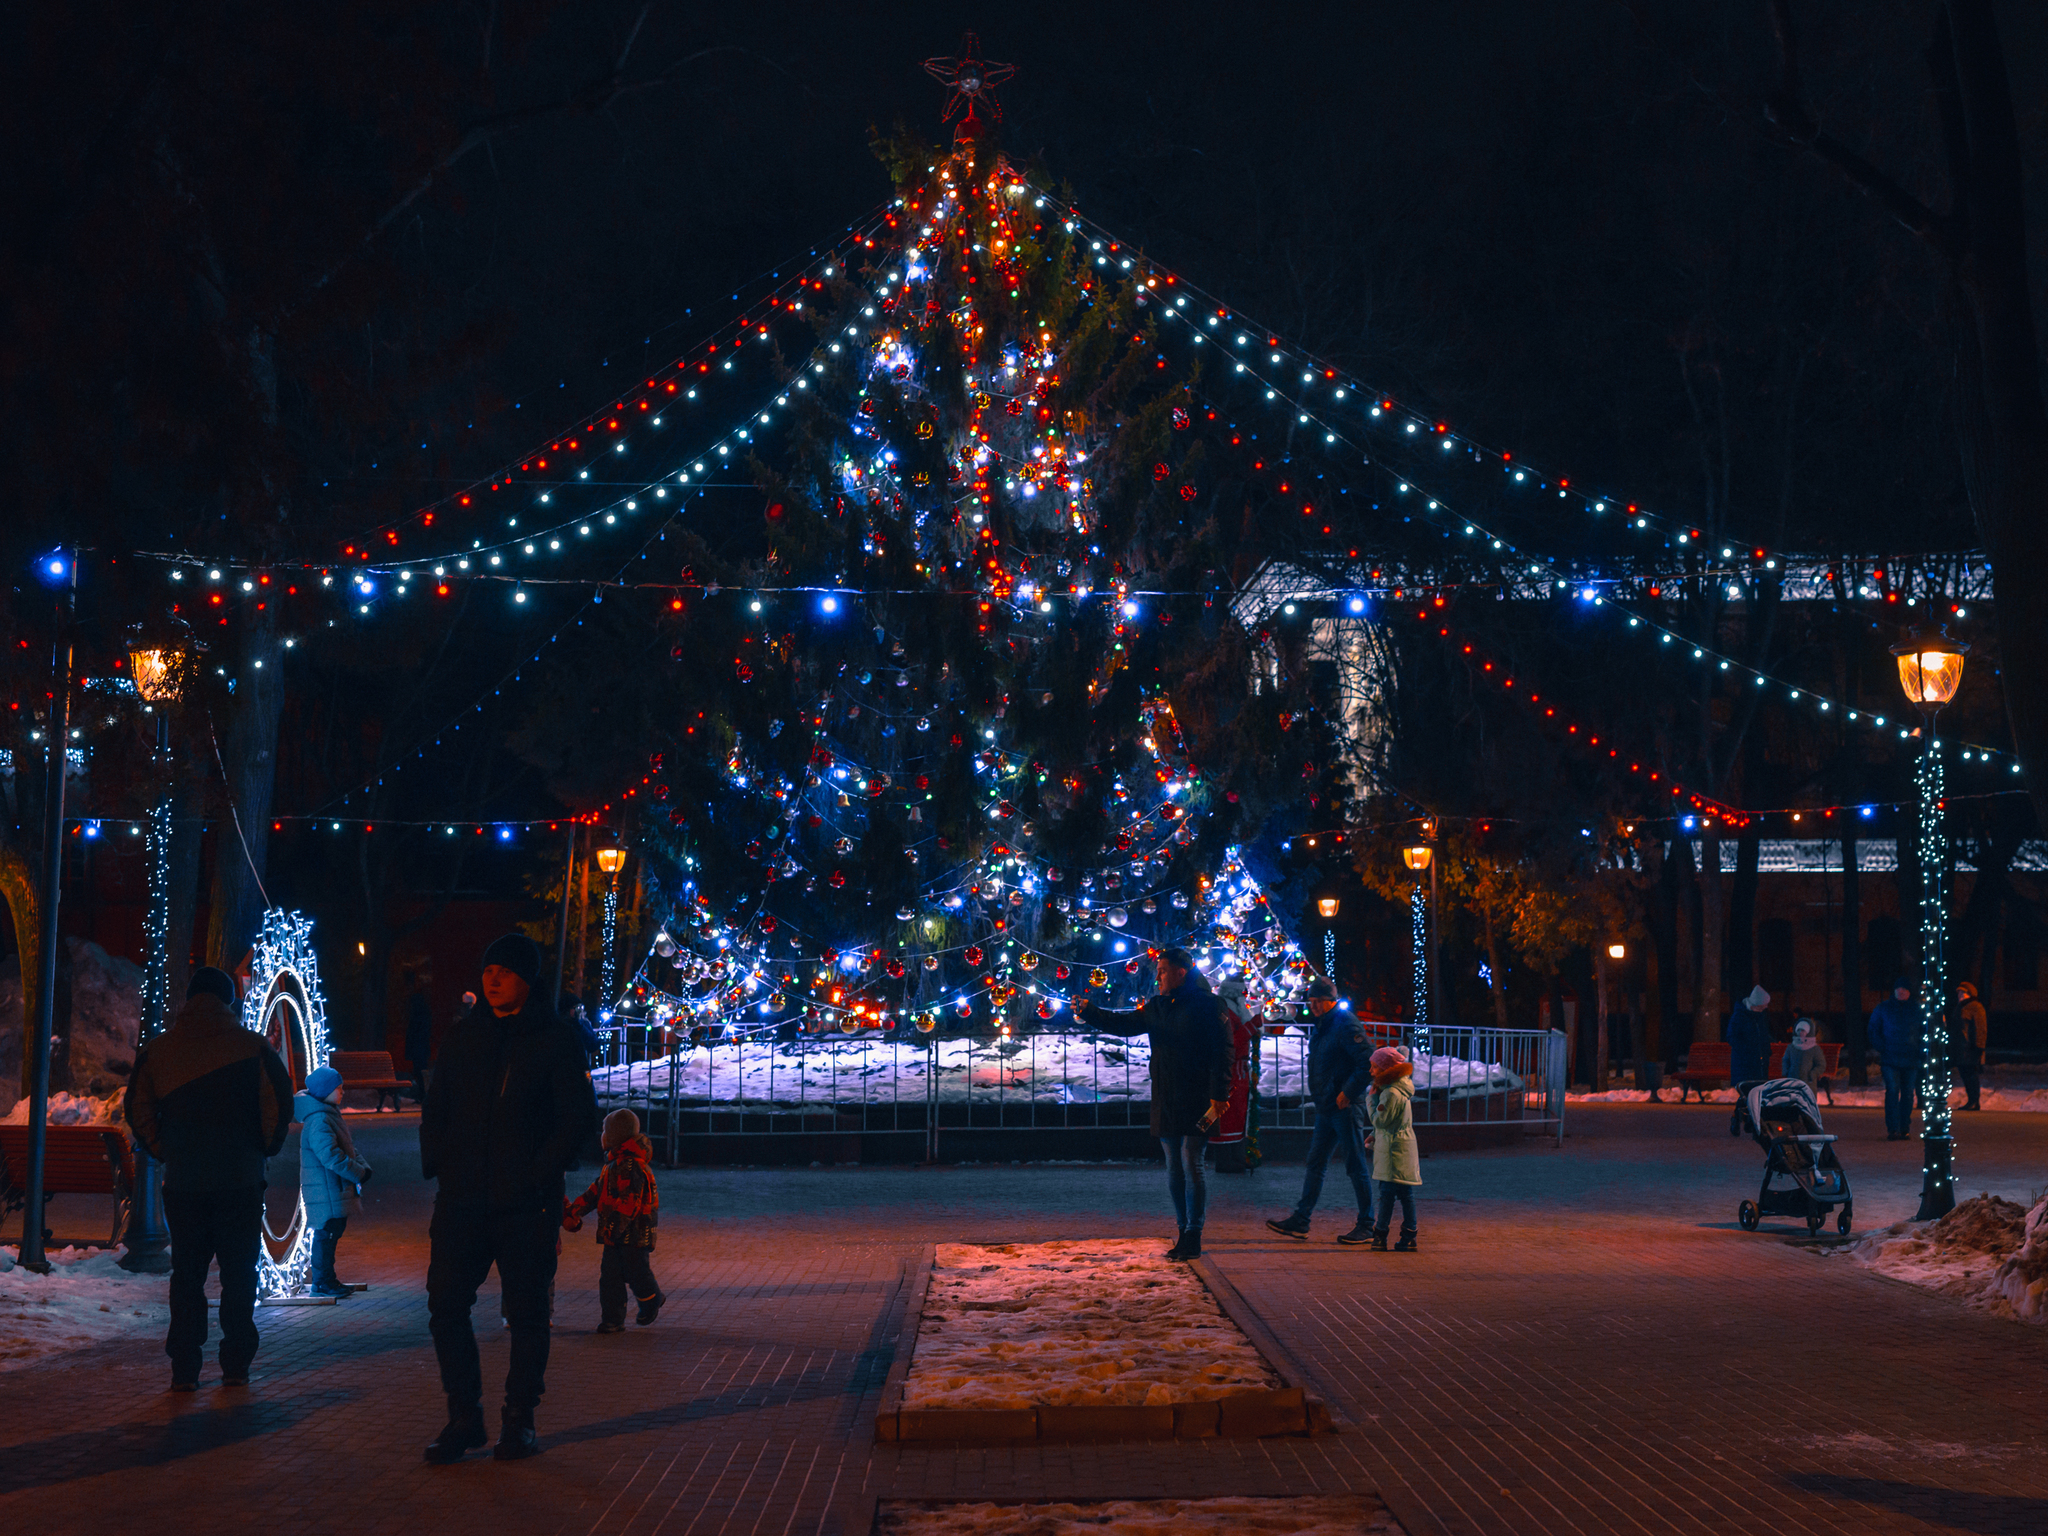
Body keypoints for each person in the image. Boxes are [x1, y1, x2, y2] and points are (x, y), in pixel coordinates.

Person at [420, 933, 597, 1464]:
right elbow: (437, 1110)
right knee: (445, 1305)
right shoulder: (463, 1039)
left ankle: (519, 1420)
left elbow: (576, 1119)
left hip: (526, 1204)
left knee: (526, 1314)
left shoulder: (555, 1038)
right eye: (488, 969)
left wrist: (537, 1173)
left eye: (505, 970)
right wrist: (444, 1168)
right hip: (463, 1201)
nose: (493, 978)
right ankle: (463, 1415)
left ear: (527, 978)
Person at [124, 967, 293, 1391]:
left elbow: (138, 1110)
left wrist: (168, 1150)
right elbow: (278, 1105)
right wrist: (261, 1150)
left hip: (183, 1183)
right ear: (227, 1001)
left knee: (187, 1275)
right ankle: (235, 1363)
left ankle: (185, 1366)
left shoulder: (159, 1051)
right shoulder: (252, 1048)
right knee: (239, 1274)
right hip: (240, 1181)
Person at [1079, 946, 1231, 1261]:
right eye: (1157, 970)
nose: (1158, 976)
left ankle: (1193, 1232)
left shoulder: (1207, 1005)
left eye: (1163, 970)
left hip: (1199, 1098)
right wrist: (1090, 1012)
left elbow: (1222, 1052)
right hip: (1166, 1096)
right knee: (1174, 1166)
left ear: (1181, 972)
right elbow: (1124, 1026)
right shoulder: (1158, 1006)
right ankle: (1182, 1229)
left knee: (1192, 1162)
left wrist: (1219, 1094)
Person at [1265, 979, 1375, 1246]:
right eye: (1310, 1001)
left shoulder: (1344, 1024)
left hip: (1344, 1107)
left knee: (1355, 1163)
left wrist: (1347, 1093)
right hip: (1328, 1106)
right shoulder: (1324, 1025)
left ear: (1330, 1000)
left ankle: (1367, 1224)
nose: (1311, 1006)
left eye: (1316, 1001)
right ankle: (1301, 1220)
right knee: (1316, 1163)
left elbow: (1367, 1061)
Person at [563, 1108, 664, 1333]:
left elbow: (630, 1203)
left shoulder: (631, 1166)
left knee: (637, 1272)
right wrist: (575, 1211)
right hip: (614, 1235)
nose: (602, 1135)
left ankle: (652, 1299)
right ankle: (612, 1319)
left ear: (616, 1135)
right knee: (610, 1278)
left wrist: (612, 1228)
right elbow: (596, 1192)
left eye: (605, 1131)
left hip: (634, 1234)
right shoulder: (613, 1165)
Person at [296, 1065, 372, 1299]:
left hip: (332, 1188)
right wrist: (357, 1172)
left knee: (331, 1233)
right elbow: (331, 1155)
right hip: (326, 1189)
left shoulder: (327, 1115)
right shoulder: (319, 1119)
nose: (343, 1092)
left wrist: (362, 1167)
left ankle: (327, 1280)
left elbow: (346, 1147)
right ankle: (322, 1282)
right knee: (326, 1234)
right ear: (325, 1091)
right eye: (338, 1088)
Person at [1367, 1045, 1421, 1251]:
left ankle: (1380, 1235)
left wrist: (1370, 1100)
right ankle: (1409, 1235)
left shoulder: (1390, 1094)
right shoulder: (1399, 1090)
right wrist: (1373, 1137)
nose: (1371, 1071)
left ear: (1385, 1069)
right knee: (1405, 1194)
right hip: (1400, 1147)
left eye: (1374, 1067)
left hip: (1392, 1150)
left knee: (1388, 1194)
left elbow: (1381, 1122)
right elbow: (1392, 1122)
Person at [1209, 977, 1260, 1174]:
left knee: (1238, 1114)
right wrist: (1251, 1027)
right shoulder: (1226, 1013)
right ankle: (1225, 1161)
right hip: (1229, 1071)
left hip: (1238, 1072)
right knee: (1228, 1116)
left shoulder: (1232, 1011)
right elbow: (1229, 1042)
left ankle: (1237, 1157)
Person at [1868, 977, 1922, 1141]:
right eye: (1898, 988)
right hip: (1890, 1058)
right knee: (1892, 1091)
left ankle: (1904, 1127)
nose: (1901, 991)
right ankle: (1893, 1128)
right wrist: (1883, 1047)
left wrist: (1919, 1048)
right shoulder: (1884, 1008)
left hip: (1910, 1059)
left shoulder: (1916, 1009)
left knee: (1907, 1094)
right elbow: (1873, 1030)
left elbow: (1925, 1030)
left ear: (1909, 992)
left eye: (1904, 989)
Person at [1726, 984, 1772, 1086]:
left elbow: (1763, 1035)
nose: (1766, 1006)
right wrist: (1746, 1050)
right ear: (1757, 1003)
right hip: (1745, 1062)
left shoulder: (1759, 1016)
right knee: (1747, 1091)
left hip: (1759, 1062)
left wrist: (1766, 1050)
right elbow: (1731, 1036)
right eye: (1764, 1004)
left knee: (1757, 1091)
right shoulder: (1740, 1016)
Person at [1954, 981, 1989, 1111]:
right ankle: (1971, 1101)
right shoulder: (1960, 1007)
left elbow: (1980, 1029)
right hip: (1961, 1048)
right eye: (1958, 992)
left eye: (1963, 992)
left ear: (1969, 993)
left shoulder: (1976, 1007)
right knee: (1965, 1075)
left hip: (1971, 1049)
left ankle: (1974, 1101)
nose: (1960, 995)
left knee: (1971, 1075)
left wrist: (1979, 1048)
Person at [1781, 1018, 1829, 1102]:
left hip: (1808, 1081)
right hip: (1793, 1079)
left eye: (1803, 1031)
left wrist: (1813, 1073)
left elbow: (1821, 1064)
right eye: (1799, 1030)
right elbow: (1786, 1060)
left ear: (1808, 1032)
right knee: (1793, 1105)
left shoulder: (1814, 1048)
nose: (1801, 1033)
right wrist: (1786, 1071)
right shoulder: (1791, 1047)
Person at [405, 977, 435, 1104]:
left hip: (418, 1047)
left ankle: (422, 1094)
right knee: (421, 1071)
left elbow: (413, 1031)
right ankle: (422, 1094)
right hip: (422, 1046)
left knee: (419, 1071)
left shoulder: (417, 1014)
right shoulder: (424, 1012)